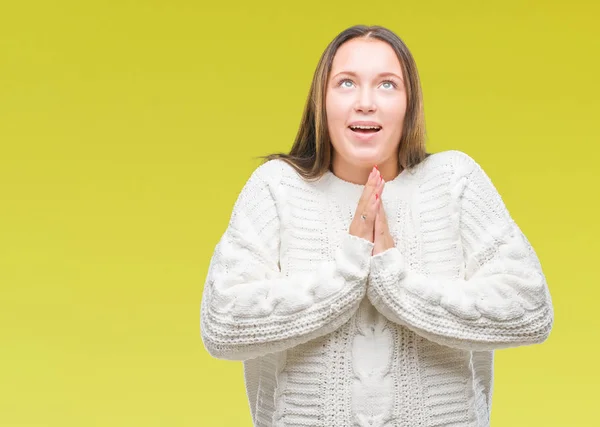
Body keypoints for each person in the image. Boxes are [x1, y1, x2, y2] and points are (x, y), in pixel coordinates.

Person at [200, 24, 554, 427]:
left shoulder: (454, 180)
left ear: (409, 104)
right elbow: (222, 325)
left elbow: (531, 311)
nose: (365, 103)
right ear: (323, 101)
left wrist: (393, 280)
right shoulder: (277, 187)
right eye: (346, 83)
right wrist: (348, 271)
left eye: (387, 85)